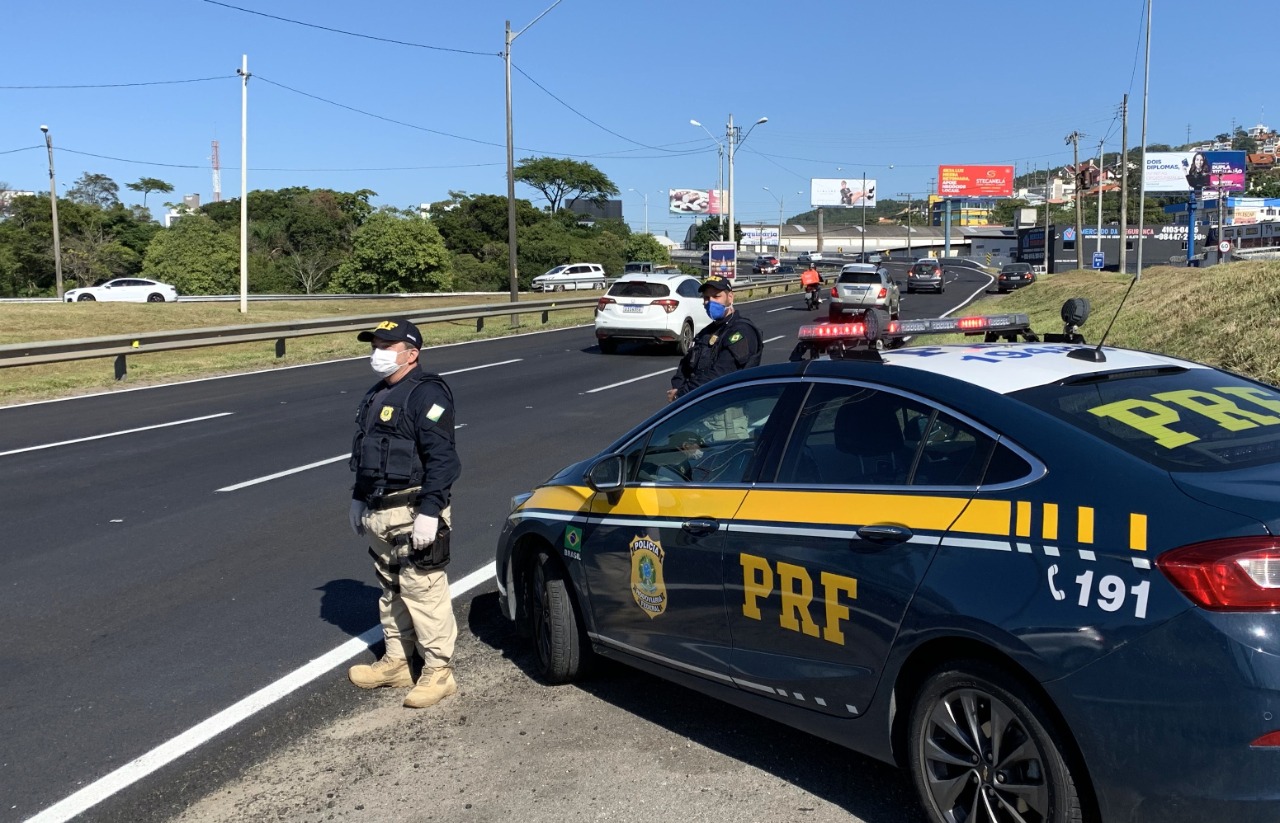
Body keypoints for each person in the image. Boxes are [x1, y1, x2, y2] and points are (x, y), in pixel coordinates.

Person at [347, 318, 462, 709]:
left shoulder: (427, 395)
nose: (377, 352)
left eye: (386, 346)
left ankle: (438, 672)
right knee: (391, 589)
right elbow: (367, 455)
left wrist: (431, 511)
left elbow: (443, 459)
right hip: (380, 511)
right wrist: (359, 498)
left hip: (414, 510)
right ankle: (397, 662)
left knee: (424, 591)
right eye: (375, 344)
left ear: (411, 354)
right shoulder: (377, 395)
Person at [667, 275, 763, 402]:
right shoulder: (707, 332)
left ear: (730, 297)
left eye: (716, 296)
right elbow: (685, 366)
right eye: (707, 298)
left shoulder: (741, 331)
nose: (710, 302)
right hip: (698, 405)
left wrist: (683, 393)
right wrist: (677, 388)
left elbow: (722, 373)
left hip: (726, 410)